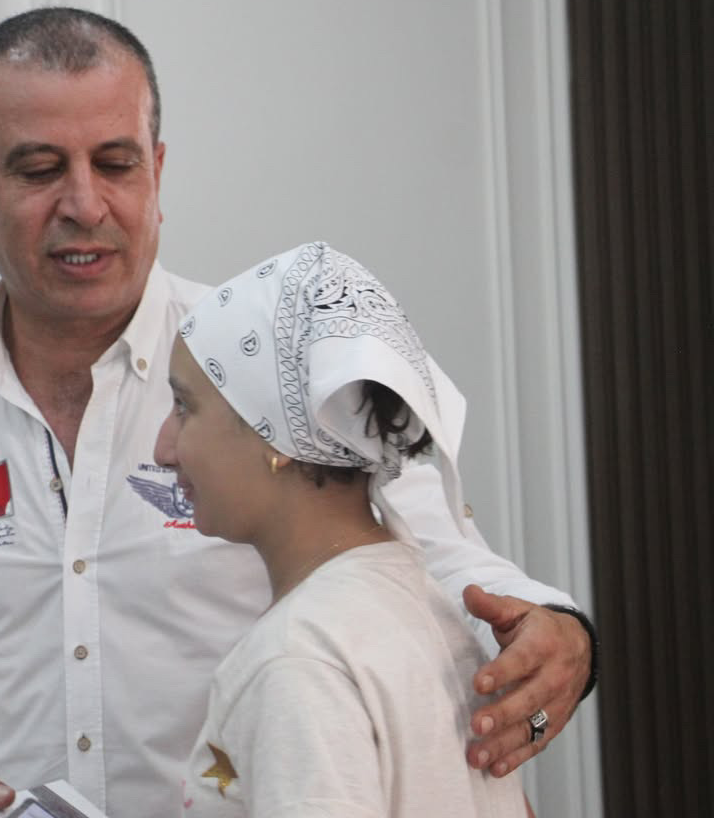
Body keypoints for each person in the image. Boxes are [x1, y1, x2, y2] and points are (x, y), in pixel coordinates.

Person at [0, 7, 595, 818]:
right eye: (40, 170)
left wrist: (564, 633)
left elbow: (446, 569)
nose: (84, 204)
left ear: (157, 172)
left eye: (116, 164)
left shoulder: (266, 364)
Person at [158, 241, 526, 817]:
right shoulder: (421, 606)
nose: (164, 447)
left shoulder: (298, 660)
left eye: (185, 407)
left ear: (273, 435)